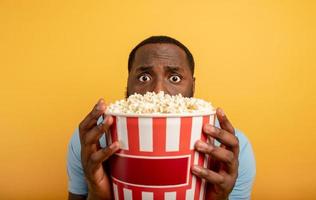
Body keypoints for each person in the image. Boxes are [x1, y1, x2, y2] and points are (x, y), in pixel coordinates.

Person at [67, 36, 256, 200]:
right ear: (128, 82)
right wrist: (98, 194)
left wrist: (219, 198)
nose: (158, 91)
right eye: (144, 77)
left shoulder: (230, 150)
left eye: (174, 78)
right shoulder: (89, 142)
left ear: (193, 86)